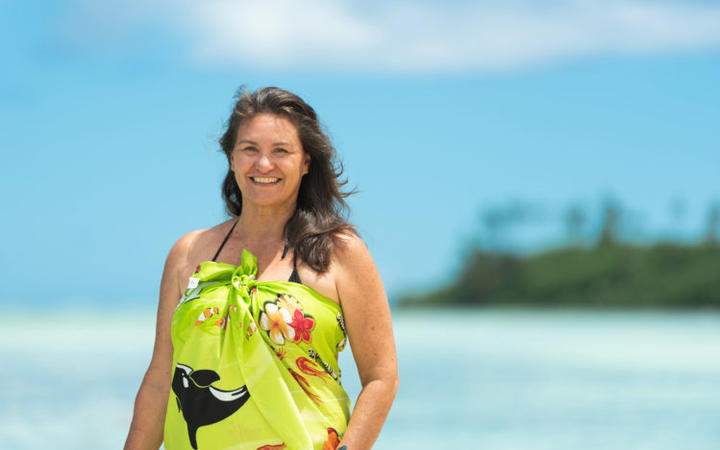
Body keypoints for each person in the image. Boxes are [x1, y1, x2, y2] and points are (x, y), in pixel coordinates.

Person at [124, 87, 398, 450]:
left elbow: (381, 377)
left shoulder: (340, 253)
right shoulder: (188, 252)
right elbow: (161, 380)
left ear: (305, 162)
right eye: (250, 149)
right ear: (231, 158)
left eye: (280, 151)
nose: (263, 165)